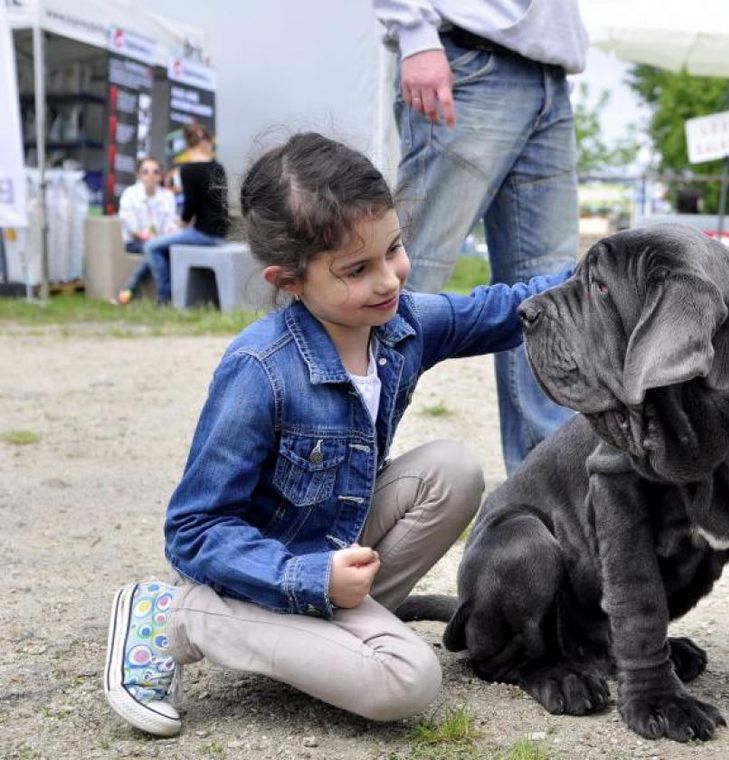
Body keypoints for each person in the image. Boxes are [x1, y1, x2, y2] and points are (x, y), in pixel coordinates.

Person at [101, 133, 572, 736]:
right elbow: (194, 531)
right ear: (290, 280)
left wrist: (609, 270)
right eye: (357, 270)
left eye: (394, 249)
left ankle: (320, 642)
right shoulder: (261, 370)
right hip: (260, 572)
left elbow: (500, 308)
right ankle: (177, 617)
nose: (388, 281)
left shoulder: (402, 324)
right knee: (409, 679)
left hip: (330, 545)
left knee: (453, 470)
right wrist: (309, 579)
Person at [374, 0, 588, 474]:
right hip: (465, 58)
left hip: (549, 71)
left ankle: (547, 498)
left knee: (550, 297)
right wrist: (413, 31)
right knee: (394, 278)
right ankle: (319, 464)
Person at [141, 124, 230, 305]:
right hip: (221, 233)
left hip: (204, 234)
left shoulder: (188, 170)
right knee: (167, 244)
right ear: (205, 142)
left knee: (151, 247)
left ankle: (165, 298)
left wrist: (179, 223)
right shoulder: (218, 167)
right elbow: (219, 204)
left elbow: (189, 208)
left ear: (188, 144)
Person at [114, 157, 179, 305]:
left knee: (155, 250)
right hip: (135, 242)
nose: (151, 175)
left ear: (161, 175)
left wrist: (167, 235)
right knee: (154, 250)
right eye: (146, 172)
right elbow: (131, 227)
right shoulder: (130, 194)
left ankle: (128, 291)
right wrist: (152, 240)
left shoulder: (167, 196)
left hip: (160, 241)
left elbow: (170, 224)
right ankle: (164, 298)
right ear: (138, 174)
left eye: (155, 172)